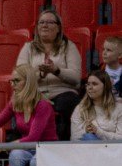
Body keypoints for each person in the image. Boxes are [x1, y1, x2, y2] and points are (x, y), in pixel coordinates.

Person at [0, 64, 58, 166]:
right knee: (15, 155)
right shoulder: (15, 103)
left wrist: (1, 148)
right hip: (28, 148)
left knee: (35, 163)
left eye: (17, 81)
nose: (13, 85)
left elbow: (33, 138)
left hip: (46, 148)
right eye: (11, 81)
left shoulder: (43, 105)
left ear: (28, 82)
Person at [16, 10, 83, 141]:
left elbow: (76, 78)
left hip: (63, 92)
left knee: (68, 103)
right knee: (26, 105)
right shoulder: (28, 48)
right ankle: (29, 147)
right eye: (41, 22)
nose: (44, 25)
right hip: (36, 94)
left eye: (49, 22)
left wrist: (56, 70)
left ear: (58, 28)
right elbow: (20, 77)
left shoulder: (69, 47)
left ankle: (62, 146)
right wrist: (40, 74)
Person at [74, 70, 122, 142]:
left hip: (114, 151)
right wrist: (85, 131)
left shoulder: (119, 109)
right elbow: (74, 138)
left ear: (105, 86)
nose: (89, 87)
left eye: (94, 84)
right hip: (86, 150)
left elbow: (120, 139)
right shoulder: (80, 108)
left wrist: (98, 132)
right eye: (88, 84)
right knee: (88, 137)